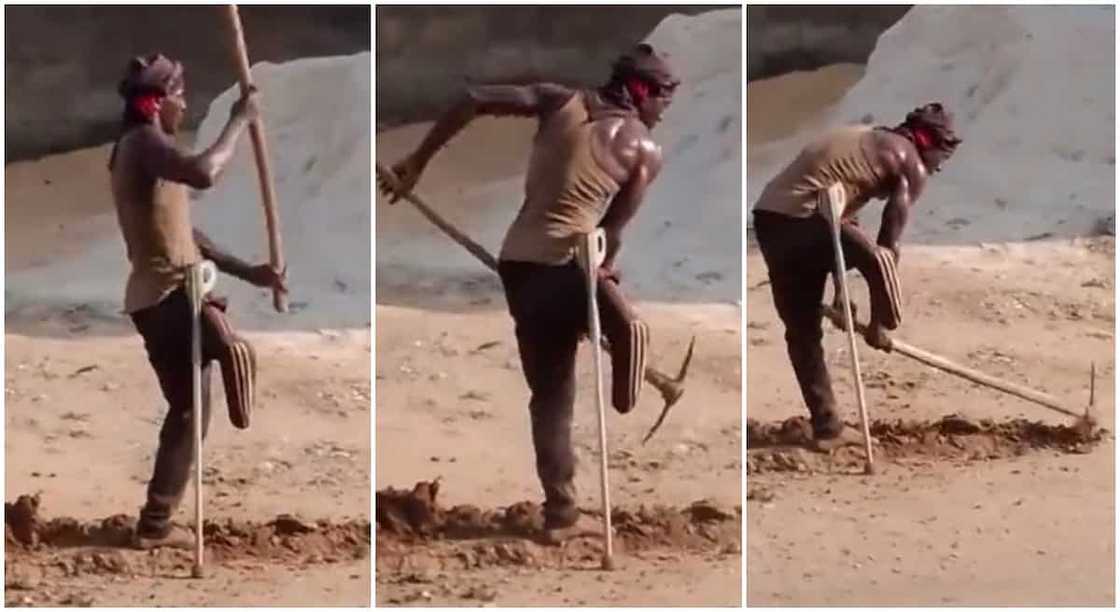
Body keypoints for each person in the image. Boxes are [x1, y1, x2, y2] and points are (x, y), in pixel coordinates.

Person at [379, 43, 680, 542]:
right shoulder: (644, 150)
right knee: (619, 325)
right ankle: (624, 356)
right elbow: (613, 231)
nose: (667, 105)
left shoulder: (557, 99)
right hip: (568, 268)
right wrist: (604, 271)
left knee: (551, 396)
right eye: (665, 93)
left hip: (517, 266)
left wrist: (417, 161)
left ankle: (561, 513)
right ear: (641, 90)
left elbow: (473, 97)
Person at [109, 53, 287, 547]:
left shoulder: (148, 148)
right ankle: (228, 350)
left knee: (188, 413)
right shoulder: (144, 143)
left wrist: (252, 273)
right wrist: (238, 121)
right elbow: (206, 172)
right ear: (159, 101)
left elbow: (188, 236)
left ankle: (155, 525)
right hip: (166, 296)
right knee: (224, 346)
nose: (185, 105)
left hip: (161, 296)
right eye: (180, 95)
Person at [752, 103, 961, 450]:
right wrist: (879, 323)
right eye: (943, 158)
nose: (938, 169)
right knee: (880, 260)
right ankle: (888, 323)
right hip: (807, 219)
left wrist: (839, 291)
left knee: (802, 333)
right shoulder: (910, 161)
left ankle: (827, 427)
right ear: (929, 143)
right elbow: (887, 244)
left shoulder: (867, 142)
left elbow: (839, 222)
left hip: (770, 220)